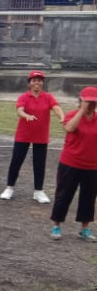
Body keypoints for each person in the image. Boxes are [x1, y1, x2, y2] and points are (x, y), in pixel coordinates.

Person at [0, 70, 63, 203]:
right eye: (34, 80)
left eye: (39, 80)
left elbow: (56, 108)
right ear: (29, 83)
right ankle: (9, 188)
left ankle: (38, 191)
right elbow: (19, 110)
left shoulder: (48, 97)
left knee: (39, 163)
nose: (37, 83)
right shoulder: (24, 97)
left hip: (41, 136)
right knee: (16, 161)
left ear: (42, 83)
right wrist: (27, 116)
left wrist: (62, 118)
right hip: (23, 135)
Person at [49, 87, 97, 242]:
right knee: (64, 195)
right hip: (70, 164)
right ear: (81, 100)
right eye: (88, 101)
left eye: (93, 102)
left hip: (92, 166)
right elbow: (69, 128)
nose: (91, 104)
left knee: (88, 198)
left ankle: (84, 228)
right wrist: (82, 111)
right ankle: (56, 225)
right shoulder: (71, 115)